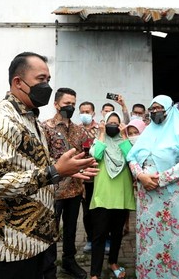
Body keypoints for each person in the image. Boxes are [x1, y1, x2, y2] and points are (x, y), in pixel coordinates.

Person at [0, 52, 97, 279]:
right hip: (11, 250)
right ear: (18, 82)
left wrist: (70, 169)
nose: (46, 86)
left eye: (48, 79)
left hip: (40, 244)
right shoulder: (0, 119)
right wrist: (54, 171)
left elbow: (32, 167)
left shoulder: (30, 119)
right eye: (41, 79)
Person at [127, 95, 179, 278]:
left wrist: (160, 178)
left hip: (173, 199)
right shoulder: (148, 132)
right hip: (148, 198)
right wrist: (141, 175)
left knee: (174, 240)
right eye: (153, 108)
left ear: (169, 109)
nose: (155, 112)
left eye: (159, 108)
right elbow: (132, 157)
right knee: (149, 239)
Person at [41, 88, 88, 279]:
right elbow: (41, 158)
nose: (71, 107)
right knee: (51, 230)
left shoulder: (79, 130)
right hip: (54, 191)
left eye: (73, 104)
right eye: (67, 104)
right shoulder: (45, 128)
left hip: (75, 189)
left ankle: (69, 261)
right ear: (56, 104)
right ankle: (48, 268)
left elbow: (86, 153)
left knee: (70, 229)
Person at [89, 111, 136, 279]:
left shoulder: (126, 142)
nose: (113, 126)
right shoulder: (98, 141)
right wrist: (101, 133)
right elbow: (96, 156)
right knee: (99, 235)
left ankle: (113, 262)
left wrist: (124, 135)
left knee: (117, 233)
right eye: (110, 123)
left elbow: (132, 158)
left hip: (121, 195)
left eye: (116, 123)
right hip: (103, 195)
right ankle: (94, 273)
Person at [78, 101, 99, 254]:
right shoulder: (76, 131)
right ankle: (91, 239)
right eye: (82, 111)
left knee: (101, 211)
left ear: (93, 113)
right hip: (84, 178)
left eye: (88, 111)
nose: (85, 114)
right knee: (87, 213)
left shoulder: (100, 129)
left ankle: (104, 239)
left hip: (99, 176)